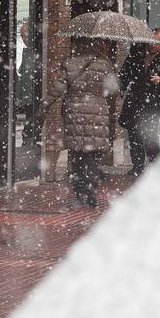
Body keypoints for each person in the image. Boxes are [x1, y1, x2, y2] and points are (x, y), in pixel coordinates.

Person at [48, 38, 119, 208]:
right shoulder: (104, 63)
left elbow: (57, 88)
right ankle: (92, 184)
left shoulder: (70, 62)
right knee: (93, 154)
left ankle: (80, 192)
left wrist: (44, 106)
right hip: (97, 114)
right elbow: (114, 89)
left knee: (77, 155)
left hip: (75, 114)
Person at [119, 29, 160, 176]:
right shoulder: (137, 51)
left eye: (156, 43)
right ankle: (137, 167)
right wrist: (122, 87)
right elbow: (125, 71)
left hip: (152, 100)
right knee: (134, 134)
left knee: (150, 134)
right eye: (150, 42)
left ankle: (156, 166)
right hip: (135, 98)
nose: (152, 46)